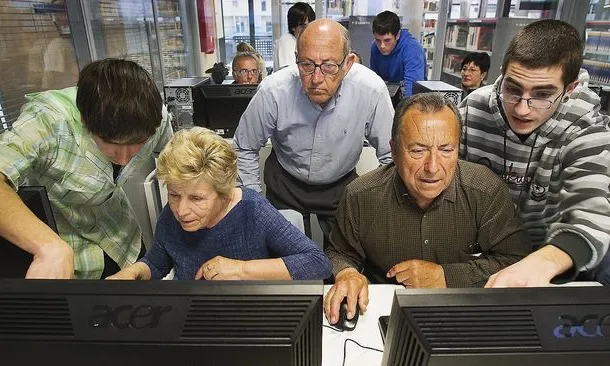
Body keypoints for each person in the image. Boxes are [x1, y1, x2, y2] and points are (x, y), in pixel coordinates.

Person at [324, 93, 531, 323]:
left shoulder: (486, 190)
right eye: (418, 150)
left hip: (464, 309)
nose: (432, 167)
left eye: (446, 150)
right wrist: (347, 273)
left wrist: (446, 276)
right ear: (393, 150)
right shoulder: (359, 195)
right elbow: (339, 253)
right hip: (383, 311)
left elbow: (517, 260)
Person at [459, 19, 610, 287]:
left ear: (569, 89)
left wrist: (544, 263)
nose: (522, 109)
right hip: (479, 248)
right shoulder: (472, 109)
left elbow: (592, 216)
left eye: (542, 95)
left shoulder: (588, 127)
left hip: (549, 253)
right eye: (513, 89)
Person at [0, 58, 172, 279]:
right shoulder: (48, 119)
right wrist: (47, 247)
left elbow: (176, 163)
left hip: (124, 240)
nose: (124, 159)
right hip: (70, 253)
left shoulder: (155, 117)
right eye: (113, 144)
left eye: (137, 144)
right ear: (85, 119)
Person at [233, 19, 393, 247]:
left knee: (345, 263)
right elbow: (244, 146)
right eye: (307, 65)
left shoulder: (370, 90)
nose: (316, 79)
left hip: (341, 186)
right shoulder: (273, 90)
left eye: (329, 66)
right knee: (286, 267)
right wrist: (255, 203)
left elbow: (392, 155)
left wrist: (374, 201)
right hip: (285, 183)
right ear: (296, 58)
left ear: (348, 63)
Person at [108, 127, 332, 281]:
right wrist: (136, 271)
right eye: (174, 195)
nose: (181, 210)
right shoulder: (172, 214)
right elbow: (157, 263)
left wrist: (241, 269)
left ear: (224, 194)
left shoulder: (252, 211)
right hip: (194, 315)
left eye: (197, 199)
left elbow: (316, 263)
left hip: (246, 316)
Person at [369, 10, 426, 96]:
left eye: (387, 40)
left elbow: (413, 89)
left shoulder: (412, 48)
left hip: (414, 98)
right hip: (393, 95)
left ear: (397, 35)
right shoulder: (374, 47)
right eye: (378, 40)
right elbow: (374, 81)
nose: (382, 46)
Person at [273, 2, 315, 71]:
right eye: (303, 26)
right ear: (293, 27)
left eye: (310, 25)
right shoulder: (286, 42)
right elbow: (292, 73)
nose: (308, 30)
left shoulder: (302, 42)